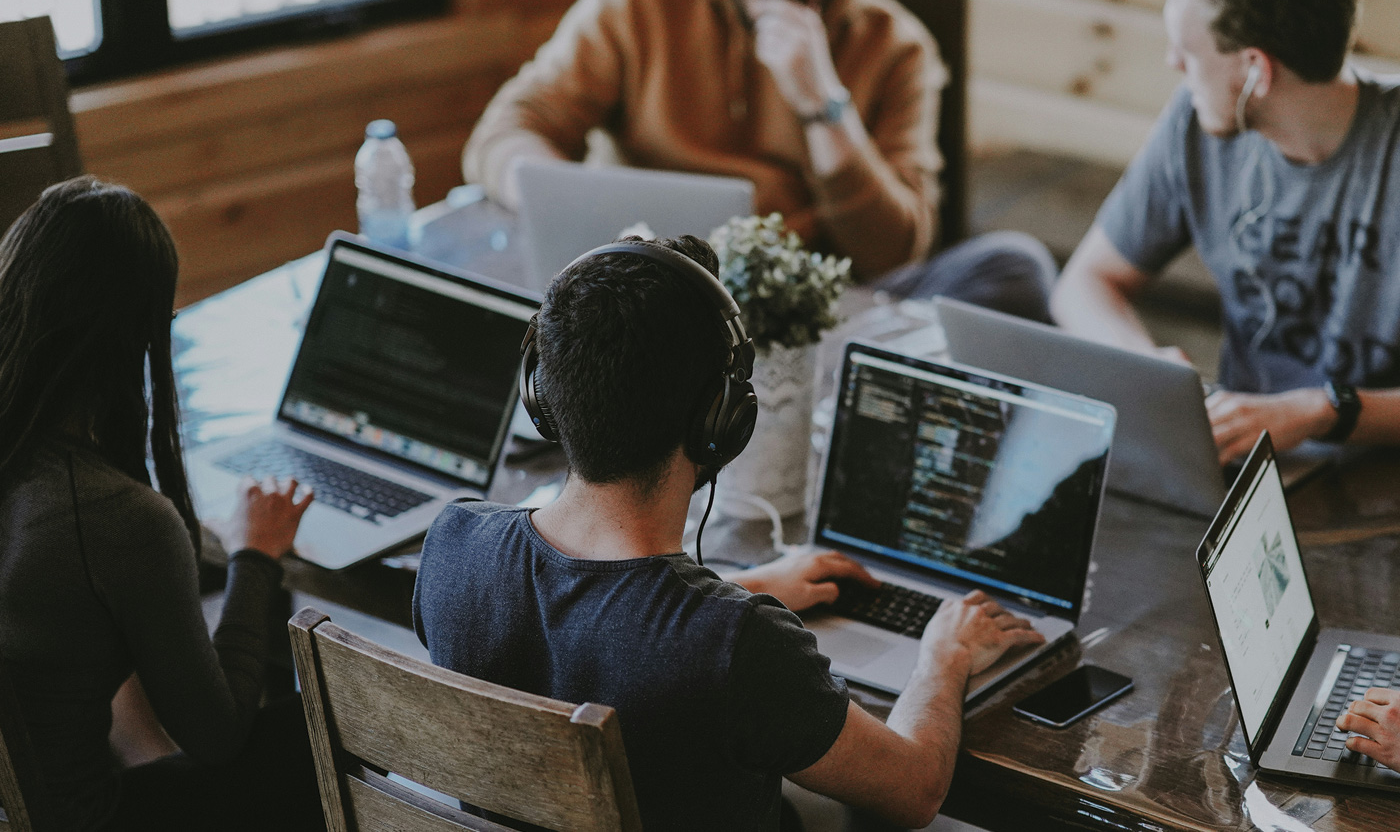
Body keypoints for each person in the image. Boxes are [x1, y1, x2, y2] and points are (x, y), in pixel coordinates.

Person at [413, 234, 1044, 831]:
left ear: (543, 394)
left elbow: (588, 627)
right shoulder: (739, 646)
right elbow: (915, 791)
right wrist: (945, 656)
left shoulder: (454, 546)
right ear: (722, 422)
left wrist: (742, 585)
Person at [462, 0, 1057, 321]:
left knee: (1016, 267)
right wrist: (560, 201)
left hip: (810, 314)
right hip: (647, 291)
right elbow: (507, 132)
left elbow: (894, 252)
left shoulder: (898, 47)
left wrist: (824, 105)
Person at [0, 178, 323, 831]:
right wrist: (253, 555)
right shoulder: (117, 517)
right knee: (312, 731)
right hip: (91, 817)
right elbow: (218, 735)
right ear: (137, 335)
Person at [1050, 0, 1400, 465]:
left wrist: (1321, 411)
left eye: (1187, 52)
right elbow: (1084, 283)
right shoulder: (1192, 126)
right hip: (1242, 469)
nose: (1173, 64)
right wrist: (1146, 363)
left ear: (1255, 70)